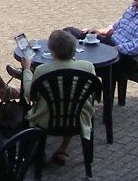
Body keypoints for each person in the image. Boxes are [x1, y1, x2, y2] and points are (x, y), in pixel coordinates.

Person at [22, 28, 97, 167]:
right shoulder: (88, 67)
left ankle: (36, 151)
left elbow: (29, 94)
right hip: (77, 117)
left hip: (47, 119)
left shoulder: (42, 70)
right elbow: (93, 94)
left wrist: (26, 70)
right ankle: (64, 149)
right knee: (71, 103)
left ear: (52, 52)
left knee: (48, 105)